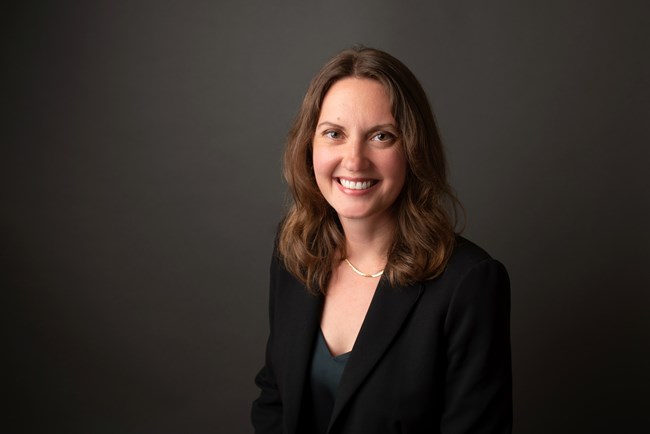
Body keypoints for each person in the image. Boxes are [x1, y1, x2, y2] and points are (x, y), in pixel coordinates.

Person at [251, 46, 512, 434]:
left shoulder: (469, 284)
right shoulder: (294, 252)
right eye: (334, 134)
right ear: (310, 146)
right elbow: (274, 398)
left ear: (413, 149)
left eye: (381, 136)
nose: (354, 159)